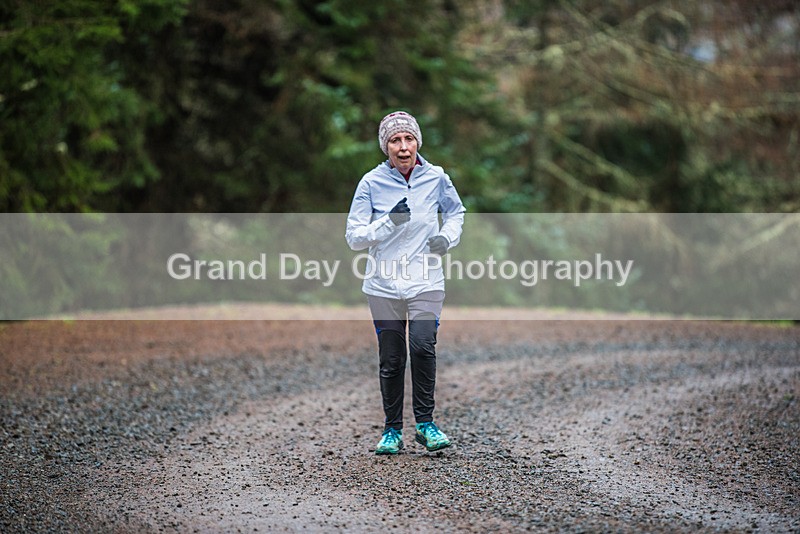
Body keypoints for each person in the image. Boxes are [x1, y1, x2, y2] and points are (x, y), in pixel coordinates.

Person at [345, 111, 466, 455]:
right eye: (395, 141)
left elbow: (456, 212)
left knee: (423, 346)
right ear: (385, 147)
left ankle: (426, 425)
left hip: (426, 279)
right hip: (383, 286)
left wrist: (447, 237)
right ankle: (392, 431)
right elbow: (354, 237)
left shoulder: (437, 177)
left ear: (417, 143)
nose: (402, 147)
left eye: (408, 139)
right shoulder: (370, 183)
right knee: (393, 358)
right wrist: (388, 222)